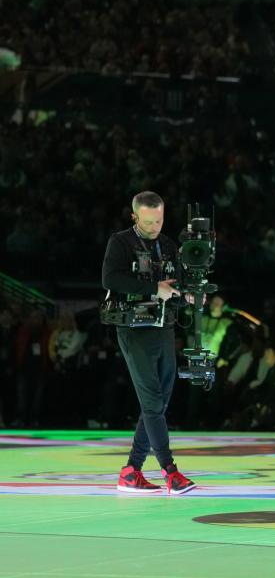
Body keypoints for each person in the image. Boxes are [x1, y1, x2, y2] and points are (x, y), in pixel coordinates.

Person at [101, 191, 195, 495]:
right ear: (134, 217)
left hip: (163, 328)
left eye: (160, 220)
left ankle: (131, 471)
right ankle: (171, 471)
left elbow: (175, 286)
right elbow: (110, 280)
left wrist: (188, 295)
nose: (155, 226)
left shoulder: (168, 245)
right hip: (133, 329)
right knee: (153, 402)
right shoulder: (121, 242)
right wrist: (153, 288)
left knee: (159, 402)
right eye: (149, 221)